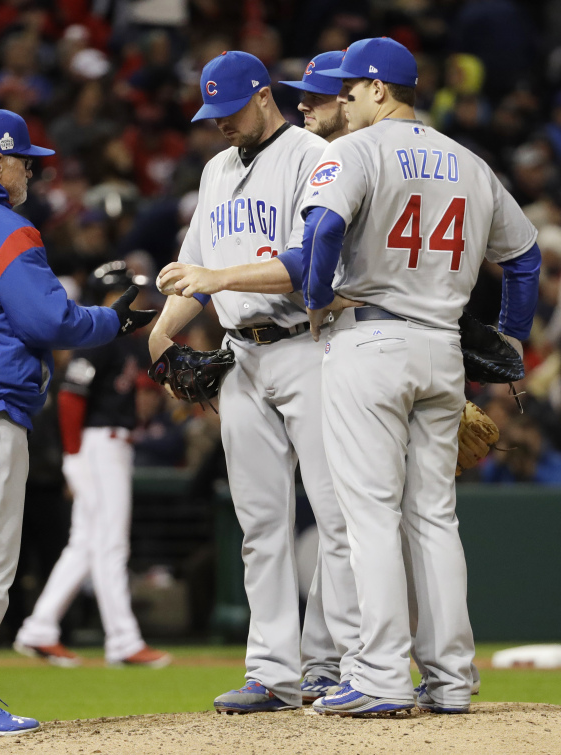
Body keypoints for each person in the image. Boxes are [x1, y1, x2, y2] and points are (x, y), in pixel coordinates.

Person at [298, 38, 540, 716]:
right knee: (433, 516)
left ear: (381, 90)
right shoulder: (470, 162)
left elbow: (321, 231)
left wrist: (317, 298)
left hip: (369, 339)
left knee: (369, 513)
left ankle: (377, 675)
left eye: (350, 90)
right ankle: (451, 677)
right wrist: (509, 335)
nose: (340, 100)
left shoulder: (354, 151)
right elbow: (523, 258)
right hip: (442, 351)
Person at [0, 108, 155, 739]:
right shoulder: (5, 226)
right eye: (23, 161)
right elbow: (49, 322)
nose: (31, 173)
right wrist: (112, 322)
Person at [149, 51, 362, 714]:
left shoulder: (310, 155)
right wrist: (160, 337)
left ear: (263, 94)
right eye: (209, 113)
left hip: (309, 345)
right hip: (242, 356)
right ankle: (272, 669)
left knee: (336, 515)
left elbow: (306, 267)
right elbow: (194, 268)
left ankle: (331, 663)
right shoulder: (215, 170)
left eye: (229, 110)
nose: (218, 124)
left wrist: (215, 281)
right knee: (259, 522)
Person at [13, 261, 171, 669]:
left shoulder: (121, 340)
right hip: (96, 445)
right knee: (110, 544)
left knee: (85, 543)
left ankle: (40, 628)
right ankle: (122, 639)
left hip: (109, 443)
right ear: (110, 294)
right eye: (129, 291)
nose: (139, 298)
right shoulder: (99, 336)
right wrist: (73, 457)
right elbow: (70, 397)